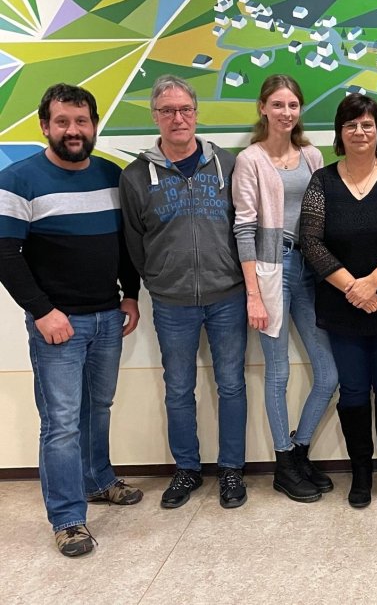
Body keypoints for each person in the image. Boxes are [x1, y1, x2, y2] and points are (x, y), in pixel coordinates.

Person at [0, 83, 143, 557]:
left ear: (94, 124)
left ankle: (98, 480)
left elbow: (123, 245)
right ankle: (67, 519)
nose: (73, 130)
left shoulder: (109, 173)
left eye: (82, 121)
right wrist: (42, 312)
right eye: (62, 121)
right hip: (58, 324)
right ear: (45, 126)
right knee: (61, 423)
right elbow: (5, 253)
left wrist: (130, 295)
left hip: (108, 317)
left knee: (97, 408)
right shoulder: (19, 179)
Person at [119, 75, 248, 510]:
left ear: (196, 113)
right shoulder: (136, 176)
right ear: (155, 116)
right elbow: (133, 242)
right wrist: (154, 280)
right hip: (172, 302)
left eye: (185, 109)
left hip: (228, 295)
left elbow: (243, 228)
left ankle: (231, 469)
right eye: (168, 111)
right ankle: (187, 469)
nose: (178, 118)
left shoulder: (228, 164)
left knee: (231, 384)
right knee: (178, 389)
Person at [300, 93, 377, 508]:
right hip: (341, 305)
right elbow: (311, 242)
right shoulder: (323, 182)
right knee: (352, 391)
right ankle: (360, 472)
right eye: (351, 124)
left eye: (367, 124)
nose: (360, 131)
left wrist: (371, 283)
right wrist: (352, 287)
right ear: (340, 132)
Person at [233, 75, 338, 503]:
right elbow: (243, 228)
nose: (286, 113)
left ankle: (298, 449)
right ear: (263, 108)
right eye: (277, 105)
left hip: (313, 268)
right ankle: (282, 464)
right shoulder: (250, 160)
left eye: (293, 105)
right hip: (272, 270)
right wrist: (253, 294)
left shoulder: (312, 156)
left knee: (329, 373)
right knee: (278, 373)